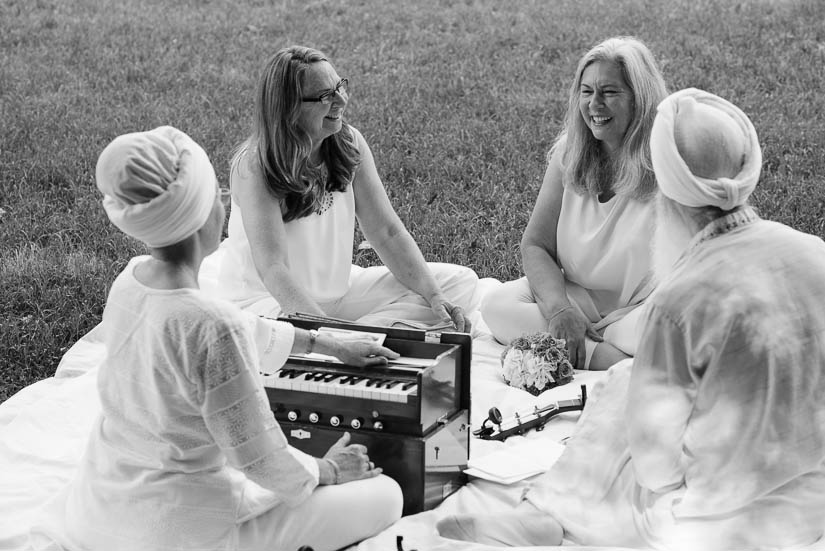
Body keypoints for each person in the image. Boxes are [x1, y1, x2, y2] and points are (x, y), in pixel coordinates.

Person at [438, 89, 825, 550]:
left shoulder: (679, 301)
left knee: (622, 383)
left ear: (667, 193)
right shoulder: (813, 251)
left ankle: (548, 512)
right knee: (629, 377)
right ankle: (546, 512)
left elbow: (657, 468)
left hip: (720, 523)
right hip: (813, 503)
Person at [30, 126, 403, 551]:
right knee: (387, 495)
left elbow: (223, 328)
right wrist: (331, 469)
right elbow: (259, 457)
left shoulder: (131, 281)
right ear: (202, 215)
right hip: (183, 532)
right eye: (218, 197)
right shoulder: (212, 326)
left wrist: (329, 345)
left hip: (99, 510)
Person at [208, 45, 479, 332]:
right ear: (288, 107)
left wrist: (434, 296)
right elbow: (273, 268)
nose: (341, 101)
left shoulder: (350, 142)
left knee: (459, 285)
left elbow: (387, 232)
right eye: (326, 96)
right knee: (281, 336)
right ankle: (355, 336)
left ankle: (358, 334)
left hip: (338, 295)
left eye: (339, 86)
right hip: (269, 303)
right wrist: (327, 335)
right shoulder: (255, 166)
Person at [480, 36, 667, 370]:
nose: (595, 104)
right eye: (587, 91)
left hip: (642, 307)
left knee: (672, 331)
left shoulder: (666, 160)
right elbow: (535, 245)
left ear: (640, 98)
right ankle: (607, 359)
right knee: (497, 305)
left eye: (610, 92)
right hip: (578, 298)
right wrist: (560, 311)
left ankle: (590, 349)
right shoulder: (570, 152)